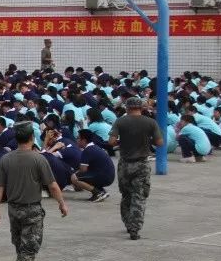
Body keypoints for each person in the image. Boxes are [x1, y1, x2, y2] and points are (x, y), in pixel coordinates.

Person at [0, 123, 69, 261]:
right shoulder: (39, 159)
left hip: (13, 209)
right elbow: (52, 185)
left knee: (22, 247)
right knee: (29, 248)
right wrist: (62, 203)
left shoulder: (6, 159)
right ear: (32, 138)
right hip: (32, 209)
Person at [109, 98, 163, 240]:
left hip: (124, 164)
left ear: (127, 107)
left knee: (126, 195)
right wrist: (146, 139)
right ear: (141, 108)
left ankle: (127, 223)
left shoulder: (120, 121)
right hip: (142, 164)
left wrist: (123, 140)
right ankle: (135, 229)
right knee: (139, 196)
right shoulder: (151, 122)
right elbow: (159, 142)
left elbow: (111, 142)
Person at [70, 129, 115, 202]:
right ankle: (102, 191)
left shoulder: (88, 150)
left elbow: (83, 169)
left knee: (75, 177)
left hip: (104, 176)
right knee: (86, 174)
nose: (76, 140)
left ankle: (98, 193)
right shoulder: (94, 147)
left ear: (84, 140)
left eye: (78, 138)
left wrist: (74, 174)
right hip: (108, 176)